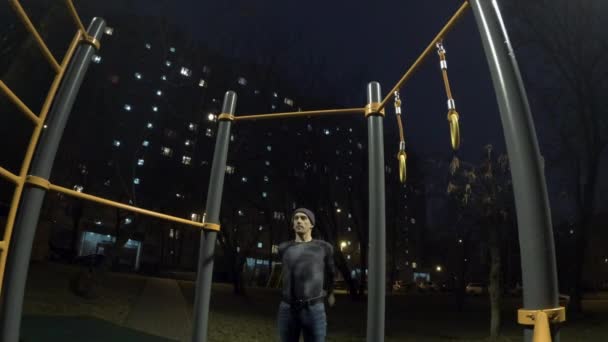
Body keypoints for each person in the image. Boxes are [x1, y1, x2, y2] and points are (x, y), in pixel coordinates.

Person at [277, 208, 336, 342]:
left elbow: (331, 272)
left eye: (304, 218)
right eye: (296, 218)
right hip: (287, 309)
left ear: (312, 224)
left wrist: (331, 292)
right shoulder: (283, 248)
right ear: (292, 224)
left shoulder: (324, 247)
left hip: (314, 309)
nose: (299, 221)